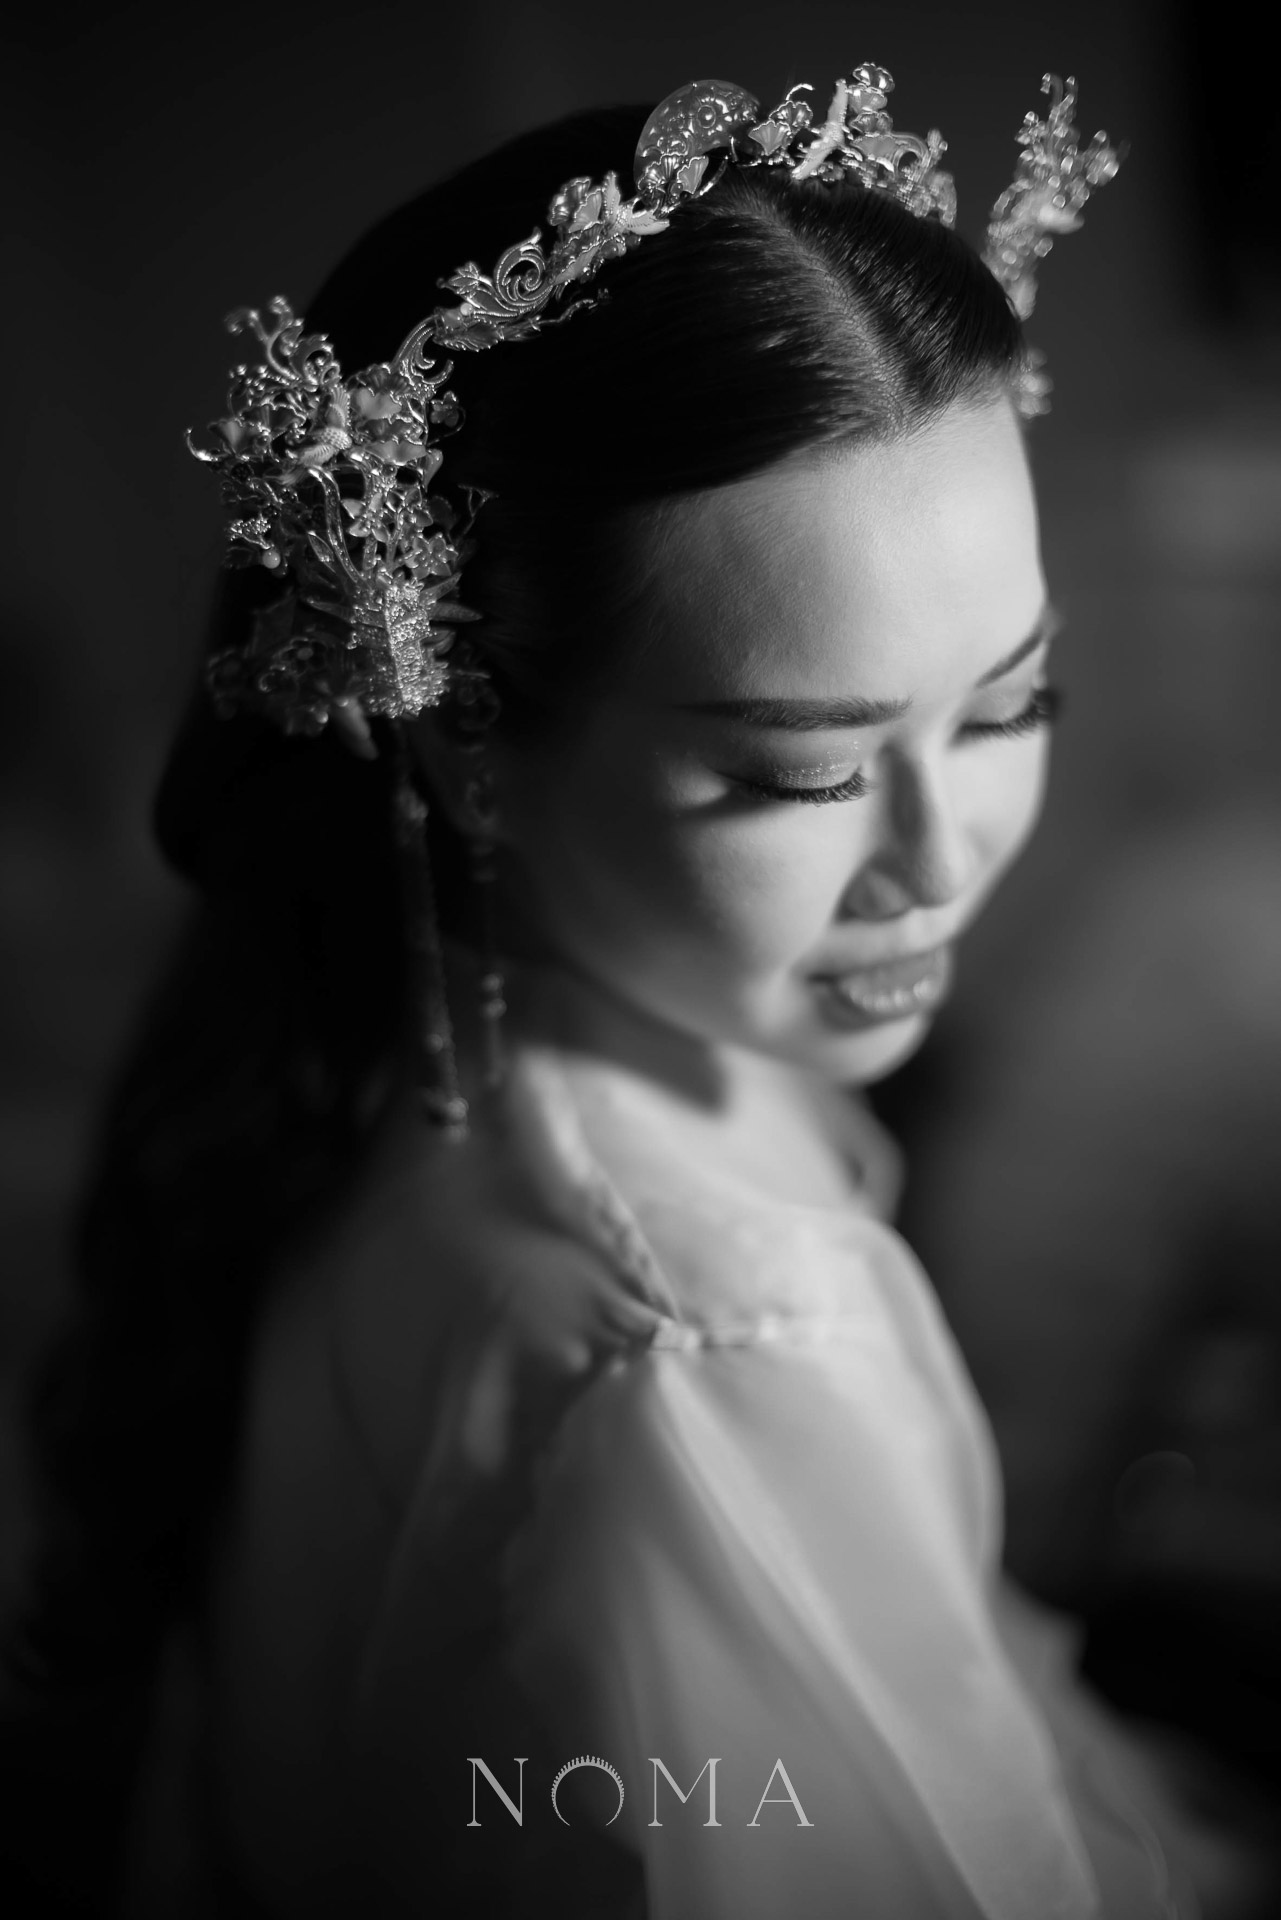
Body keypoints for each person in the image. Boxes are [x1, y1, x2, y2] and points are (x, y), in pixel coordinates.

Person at [11, 64, 1201, 1920]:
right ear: (467, 745)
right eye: (803, 772)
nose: (938, 856)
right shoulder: (704, 1346)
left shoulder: (413, 1055)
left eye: (1007, 703)